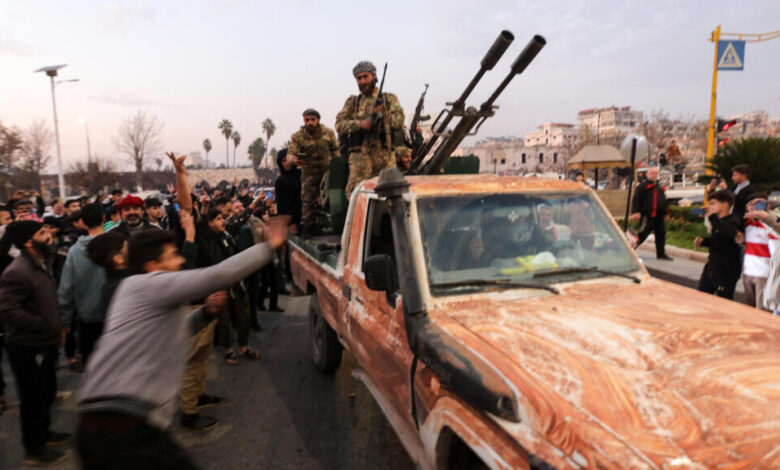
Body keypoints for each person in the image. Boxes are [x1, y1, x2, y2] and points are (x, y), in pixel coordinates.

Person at [75, 220, 288, 469]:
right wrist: (268, 247)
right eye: (173, 256)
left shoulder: (136, 291)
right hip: (125, 425)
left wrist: (205, 313)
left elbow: (173, 335)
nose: (181, 261)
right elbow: (218, 275)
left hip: (100, 425)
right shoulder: (146, 285)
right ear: (152, 266)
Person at [0, 221, 71, 466]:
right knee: (32, 398)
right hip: (27, 346)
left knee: (45, 392)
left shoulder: (40, 262)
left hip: (45, 342)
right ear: (28, 242)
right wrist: (43, 324)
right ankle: (34, 448)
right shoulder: (17, 271)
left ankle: (44, 433)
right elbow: (7, 310)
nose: (49, 234)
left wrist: (56, 328)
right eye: (42, 232)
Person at [336, 60, 405, 196]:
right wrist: (359, 124)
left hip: (385, 157)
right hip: (360, 160)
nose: (362, 81)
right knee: (357, 194)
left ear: (374, 76)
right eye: (358, 78)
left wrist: (384, 114)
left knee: (390, 194)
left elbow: (399, 122)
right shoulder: (353, 102)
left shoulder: (388, 99)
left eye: (365, 77)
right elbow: (339, 124)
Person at [57, 203, 106, 364]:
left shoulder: (75, 251)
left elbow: (66, 288)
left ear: (83, 222)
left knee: (92, 365)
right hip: (116, 315)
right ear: (104, 218)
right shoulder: (116, 245)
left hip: (87, 317)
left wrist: (64, 321)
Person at [288, 108, 339, 234]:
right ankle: (308, 228)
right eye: (307, 120)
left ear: (318, 120)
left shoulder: (328, 133)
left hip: (327, 172)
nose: (310, 123)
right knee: (307, 201)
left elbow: (335, 150)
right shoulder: (297, 137)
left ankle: (337, 225)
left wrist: (337, 164)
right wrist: (295, 160)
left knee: (334, 199)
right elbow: (290, 153)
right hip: (309, 173)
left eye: (312, 120)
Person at [695, 190, 743, 299]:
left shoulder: (734, 219)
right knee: (701, 296)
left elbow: (729, 233)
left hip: (727, 269)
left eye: (713, 203)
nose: (710, 206)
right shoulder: (716, 221)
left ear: (725, 204)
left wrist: (712, 217)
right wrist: (703, 242)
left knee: (723, 300)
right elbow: (718, 240)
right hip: (712, 265)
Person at [740, 193, 778, 310]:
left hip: (764, 274)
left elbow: (775, 248)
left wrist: (766, 217)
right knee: (750, 309)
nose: (756, 207)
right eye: (752, 203)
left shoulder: (770, 225)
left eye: (761, 203)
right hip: (748, 273)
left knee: (761, 311)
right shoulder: (746, 224)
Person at [630, 167, 672, 260]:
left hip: (659, 216)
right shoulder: (642, 186)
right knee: (643, 234)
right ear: (647, 174)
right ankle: (629, 249)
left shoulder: (659, 187)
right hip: (648, 215)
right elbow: (636, 199)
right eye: (652, 173)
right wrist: (636, 211)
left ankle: (661, 254)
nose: (654, 175)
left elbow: (664, 200)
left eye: (655, 173)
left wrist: (667, 212)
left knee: (661, 235)